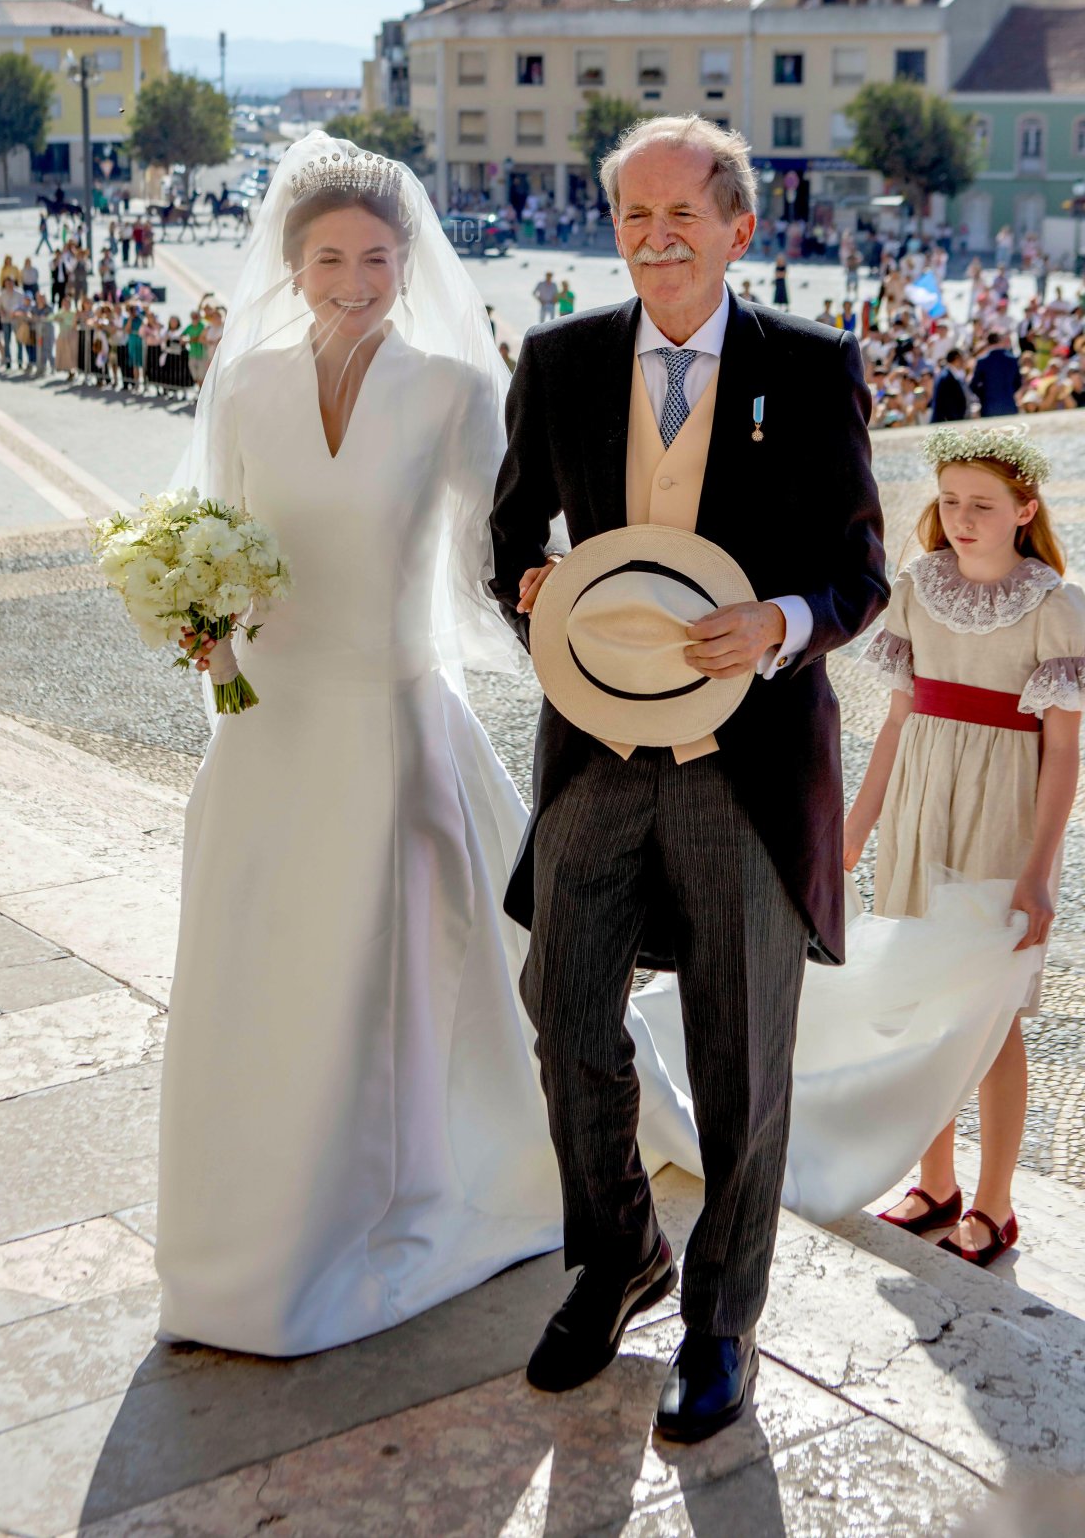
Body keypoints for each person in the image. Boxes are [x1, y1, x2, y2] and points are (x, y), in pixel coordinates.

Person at [489, 114, 887, 1442]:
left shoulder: (814, 365)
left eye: (681, 217)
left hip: (749, 767)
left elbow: (859, 575)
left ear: (738, 230)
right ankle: (618, 1257)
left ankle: (722, 1317)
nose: (656, 241)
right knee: (565, 1010)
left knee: (741, 1054)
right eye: (632, 219)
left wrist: (780, 623)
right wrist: (533, 587)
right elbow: (508, 541)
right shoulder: (557, 360)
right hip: (594, 757)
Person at [156, 133, 563, 1356]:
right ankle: (243, 1226)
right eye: (329, 256)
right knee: (256, 967)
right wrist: (201, 623)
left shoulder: (450, 385)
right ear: (291, 259)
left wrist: (596, 631)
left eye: (376, 258)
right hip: (267, 723)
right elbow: (212, 528)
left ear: (408, 258)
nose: (352, 278)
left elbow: (505, 557)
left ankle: (368, 1209)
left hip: (385, 718)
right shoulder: (244, 384)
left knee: (367, 978)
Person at [847, 428, 1083, 1266]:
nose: (961, 518)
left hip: (1000, 820)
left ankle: (995, 1204)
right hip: (921, 808)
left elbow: (1063, 750)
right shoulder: (916, 588)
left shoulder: (1055, 605)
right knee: (924, 1005)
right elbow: (898, 720)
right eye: (950, 502)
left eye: (982, 505)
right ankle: (935, 1182)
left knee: (990, 1020)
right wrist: (854, 829)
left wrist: (1040, 871)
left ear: (1025, 510)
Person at [971, 331, 1023, 416]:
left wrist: (984, 395)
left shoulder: (982, 361)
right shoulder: (1012, 359)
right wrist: (1008, 392)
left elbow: (974, 385)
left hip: (989, 407)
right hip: (1009, 405)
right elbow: (1018, 382)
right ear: (1000, 341)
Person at [931, 347, 971, 422]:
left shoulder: (951, 374)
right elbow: (947, 403)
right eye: (962, 358)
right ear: (956, 359)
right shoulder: (946, 377)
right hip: (947, 422)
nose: (963, 361)